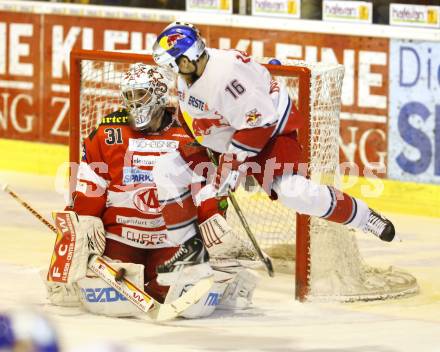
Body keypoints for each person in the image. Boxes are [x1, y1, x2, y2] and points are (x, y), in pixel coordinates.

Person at [150, 21, 396, 262]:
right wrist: (204, 143)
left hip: (270, 136)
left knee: (294, 193)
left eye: (172, 64)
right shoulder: (191, 73)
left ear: (185, 60)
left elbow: (259, 124)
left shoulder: (229, 78)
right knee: (167, 168)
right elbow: (192, 109)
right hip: (226, 143)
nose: (172, 70)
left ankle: (365, 218)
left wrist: (230, 169)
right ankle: (188, 250)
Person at [43, 63, 258, 319]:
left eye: (140, 94)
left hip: (171, 240)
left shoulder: (189, 133)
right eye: (129, 95)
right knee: (110, 301)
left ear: (159, 93)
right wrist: (81, 223)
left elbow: (204, 186)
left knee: (187, 302)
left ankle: (227, 280)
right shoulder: (109, 132)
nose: (133, 103)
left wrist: (212, 218)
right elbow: (92, 185)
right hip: (120, 236)